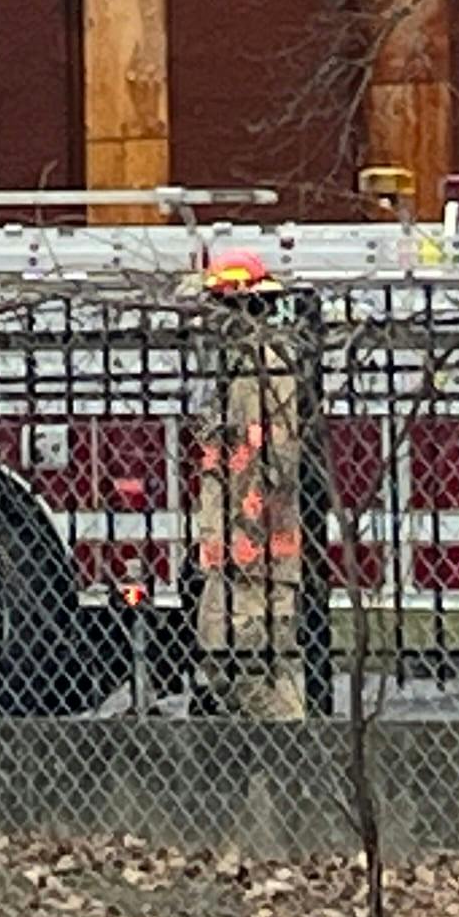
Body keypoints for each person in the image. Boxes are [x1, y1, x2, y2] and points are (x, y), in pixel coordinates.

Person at [184, 248, 311, 717]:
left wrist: (245, 526)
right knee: (259, 667)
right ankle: (288, 761)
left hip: (250, 553)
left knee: (237, 664)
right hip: (244, 551)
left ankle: (294, 751)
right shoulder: (243, 366)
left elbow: (271, 457)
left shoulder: (262, 368)